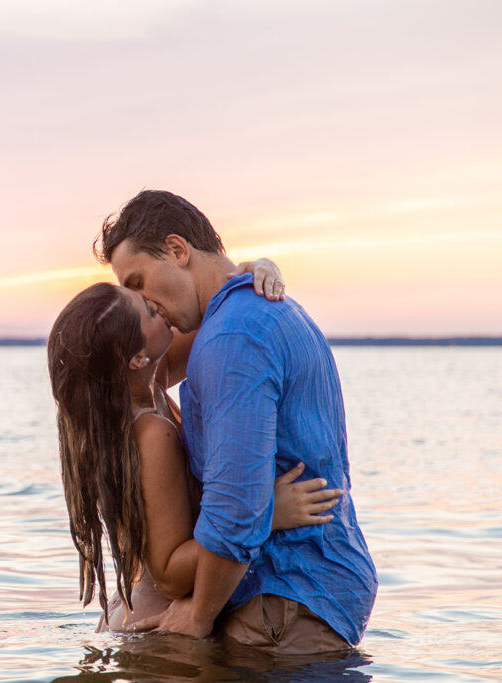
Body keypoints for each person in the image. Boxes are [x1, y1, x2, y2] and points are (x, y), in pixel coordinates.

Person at [96, 190, 377, 654]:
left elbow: (235, 509)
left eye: (139, 281)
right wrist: (249, 267)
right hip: (298, 597)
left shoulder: (233, 337)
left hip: (284, 602)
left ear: (177, 249)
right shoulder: (247, 316)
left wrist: (199, 613)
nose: (141, 302)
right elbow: (137, 365)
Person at [46, 268, 343, 635]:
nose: (158, 305)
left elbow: (217, 317)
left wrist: (247, 272)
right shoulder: (151, 433)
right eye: (150, 311)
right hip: (159, 629)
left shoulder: (145, 386)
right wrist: (266, 513)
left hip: (145, 620)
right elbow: (169, 574)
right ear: (136, 358)